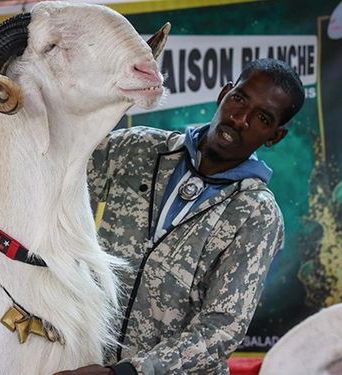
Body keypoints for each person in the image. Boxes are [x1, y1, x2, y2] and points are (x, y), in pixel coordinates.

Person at [55, 58, 305, 375]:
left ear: (275, 136)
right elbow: (57, 173)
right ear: (224, 94)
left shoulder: (257, 214)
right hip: (87, 360)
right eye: (240, 99)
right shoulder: (139, 147)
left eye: (262, 118)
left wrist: (127, 373)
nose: (241, 119)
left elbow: (222, 327)